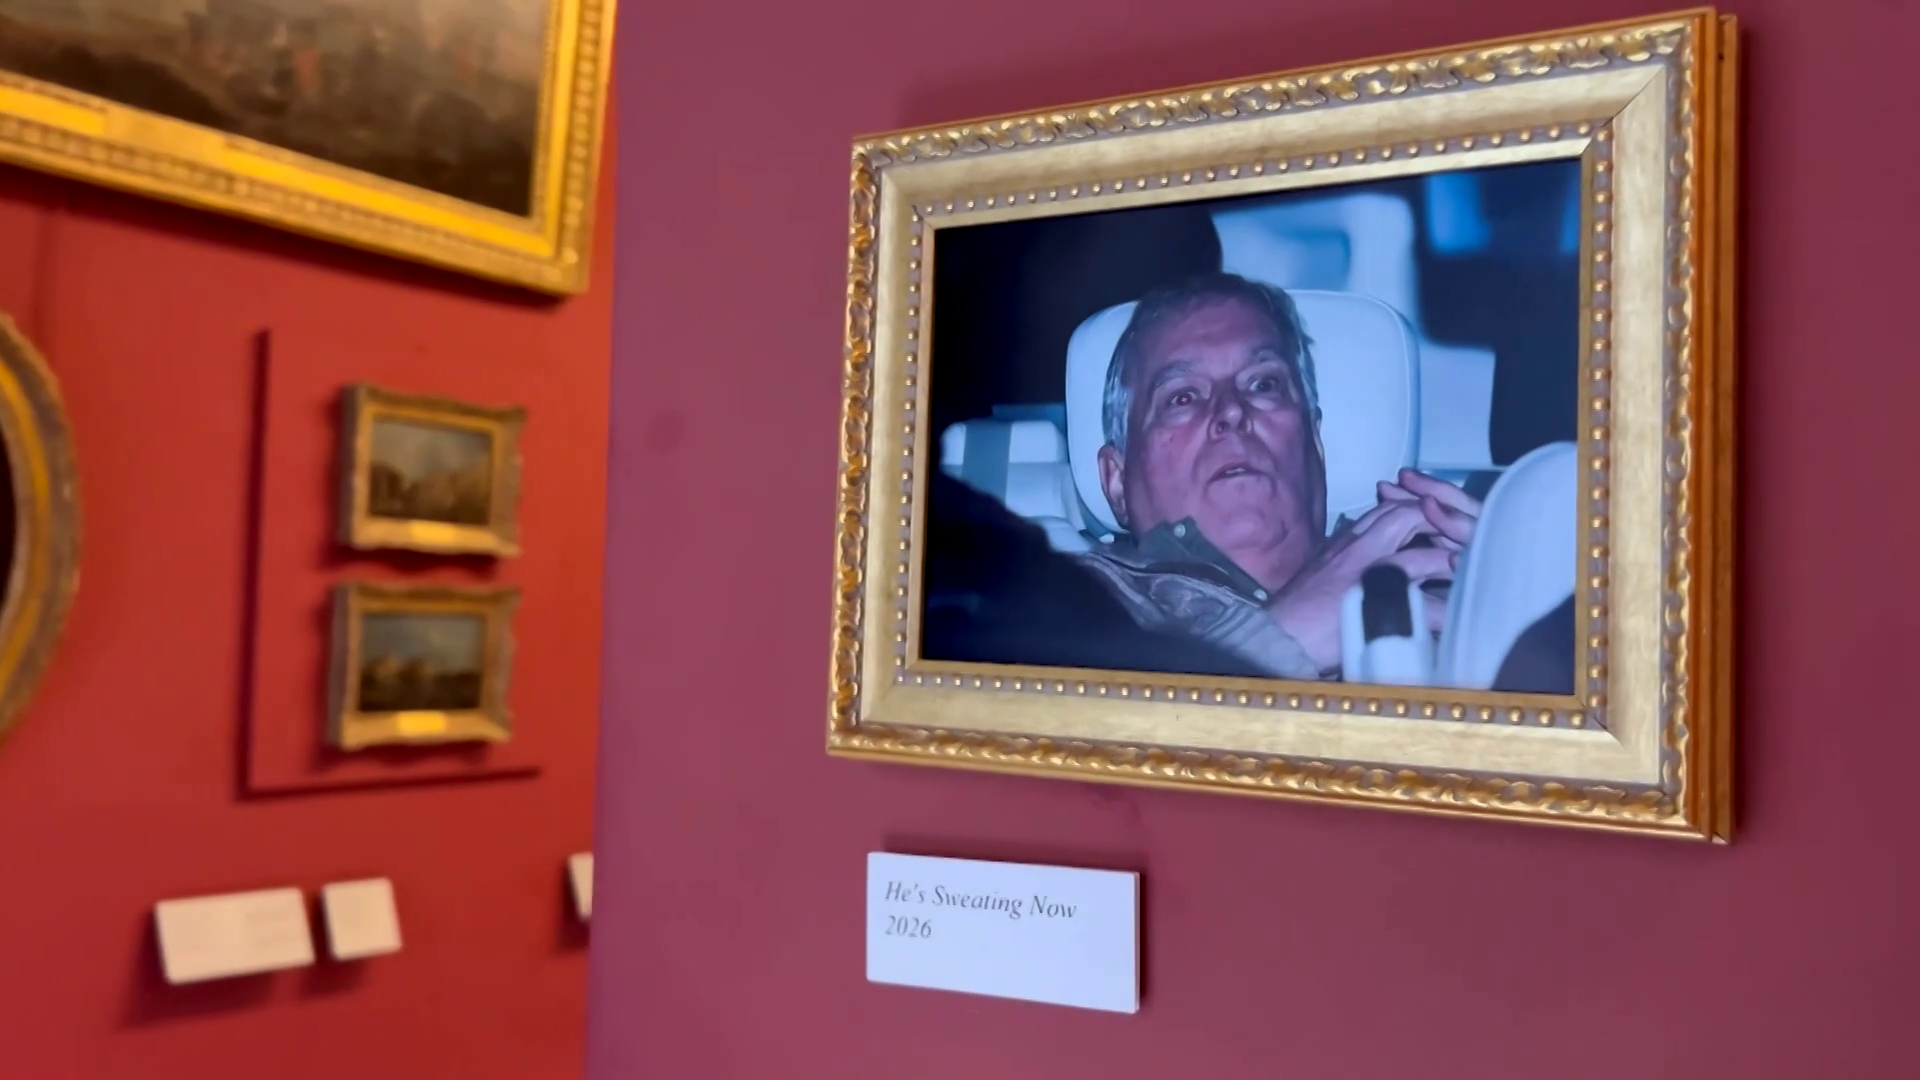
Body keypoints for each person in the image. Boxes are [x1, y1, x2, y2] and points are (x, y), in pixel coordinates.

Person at [1074, 272, 1483, 679]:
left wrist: (1510, 583)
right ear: (1116, 481)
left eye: (1263, 384)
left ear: (1316, 446)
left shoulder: (1438, 581)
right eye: (1182, 397)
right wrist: (1283, 641)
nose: (1232, 411)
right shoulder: (1070, 607)